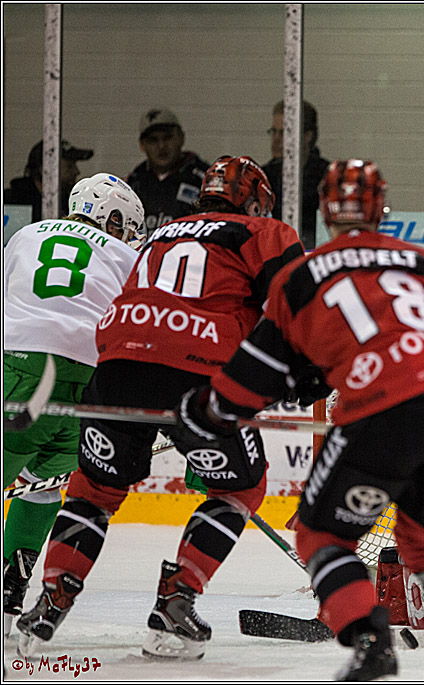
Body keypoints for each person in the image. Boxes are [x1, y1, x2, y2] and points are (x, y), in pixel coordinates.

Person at [174, 159, 424, 680]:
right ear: (381, 207)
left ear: (324, 210)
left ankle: (370, 643)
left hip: (382, 412)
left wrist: (207, 412)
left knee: (320, 536)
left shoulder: (301, 275)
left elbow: (250, 379)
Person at [15, 156, 305, 661]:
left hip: (117, 364)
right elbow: (299, 302)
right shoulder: (265, 230)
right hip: (199, 374)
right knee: (240, 488)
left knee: (95, 489)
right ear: (254, 199)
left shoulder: (159, 233)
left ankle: (50, 600)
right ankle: (176, 601)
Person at [3, 173, 143, 638]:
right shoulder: (129, 256)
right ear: (115, 220)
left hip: (22, 369)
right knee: (43, 484)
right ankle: (7, 594)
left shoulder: (25, 234)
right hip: (91, 385)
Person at [127, 108, 209, 239]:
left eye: (168, 137)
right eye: (153, 140)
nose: (161, 146)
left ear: (181, 138)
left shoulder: (205, 179)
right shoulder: (134, 181)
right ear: (142, 145)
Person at [262, 99, 330, 250]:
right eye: (274, 131)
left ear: (307, 136)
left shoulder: (327, 177)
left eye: (285, 132)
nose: (277, 140)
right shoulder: (263, 177)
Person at [4, 139, 94, 223]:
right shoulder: (11, 201)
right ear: (46, 169)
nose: (77, 172)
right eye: (69, 166)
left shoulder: (70, 204)